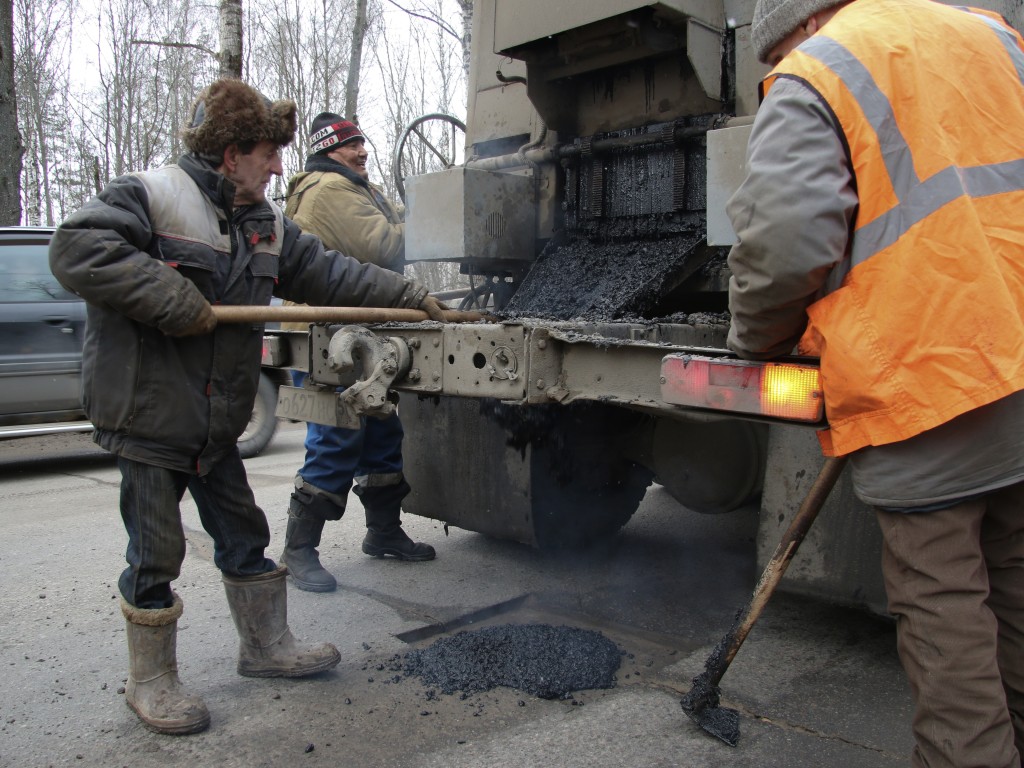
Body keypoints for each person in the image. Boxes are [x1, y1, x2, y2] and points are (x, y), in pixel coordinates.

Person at [48, 78, 447, 736]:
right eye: (266, 153)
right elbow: (77, 248)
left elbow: (330, 273)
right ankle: (151, 680)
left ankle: (265, 648)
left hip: (213, 420)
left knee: (245, 535)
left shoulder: (264, 224)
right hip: (150, 416)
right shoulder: (152, 197)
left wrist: (410, 295)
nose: (277, 166)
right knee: (155, 551)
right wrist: (167, 295)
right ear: (231, 154)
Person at [727, 1, 1024, 765]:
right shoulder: (993, 33)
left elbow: (786, 244)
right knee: (1018, 597)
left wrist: (757, 341)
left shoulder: (817, 71)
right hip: (1017, 354)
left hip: (926, 382)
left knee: (948, 615)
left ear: (793, 30)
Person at [277, 113, 434, 594]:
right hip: (331, 341)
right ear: (328, 150)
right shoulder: (327, 190)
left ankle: (383, 532)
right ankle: (298, 550)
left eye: (363, 142)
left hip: (360, 333)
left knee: (382, 431)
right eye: (351, 145)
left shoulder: (352, 186)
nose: (362, 151)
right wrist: (439, 217)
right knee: (337, 435)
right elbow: (381, 245)